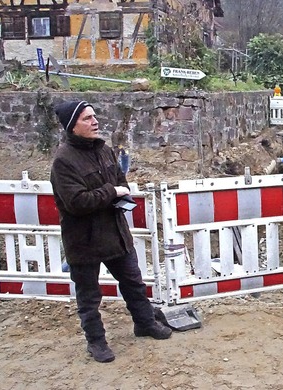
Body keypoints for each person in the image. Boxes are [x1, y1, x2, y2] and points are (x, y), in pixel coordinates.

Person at [50, 100, 172, 363]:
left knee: (134, 283)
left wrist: (119, 192)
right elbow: (77, 202)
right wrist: (112, 193)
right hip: (84, 239)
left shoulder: (104, 150)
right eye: (86, 118)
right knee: (89, 296)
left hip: (115, 232)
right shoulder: (63, 161)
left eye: (94, 116)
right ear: (72, 126)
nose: (94, 122)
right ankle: (96, 342)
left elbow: (120, 180)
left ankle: (145, 323)